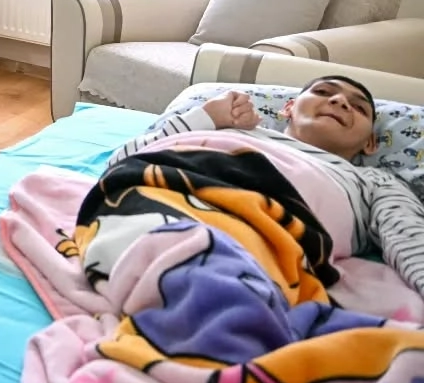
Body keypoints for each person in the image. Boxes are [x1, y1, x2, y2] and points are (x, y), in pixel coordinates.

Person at [108, 75, 424, 294]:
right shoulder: (228, 131)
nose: (340, 101)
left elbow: (410, 238)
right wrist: (205, 117)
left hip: (252, 251)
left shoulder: (374, 181)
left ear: (370, 143)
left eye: (359, 107)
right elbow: (120, 165)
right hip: (148, 211)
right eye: (323, 92)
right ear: (288, 108)